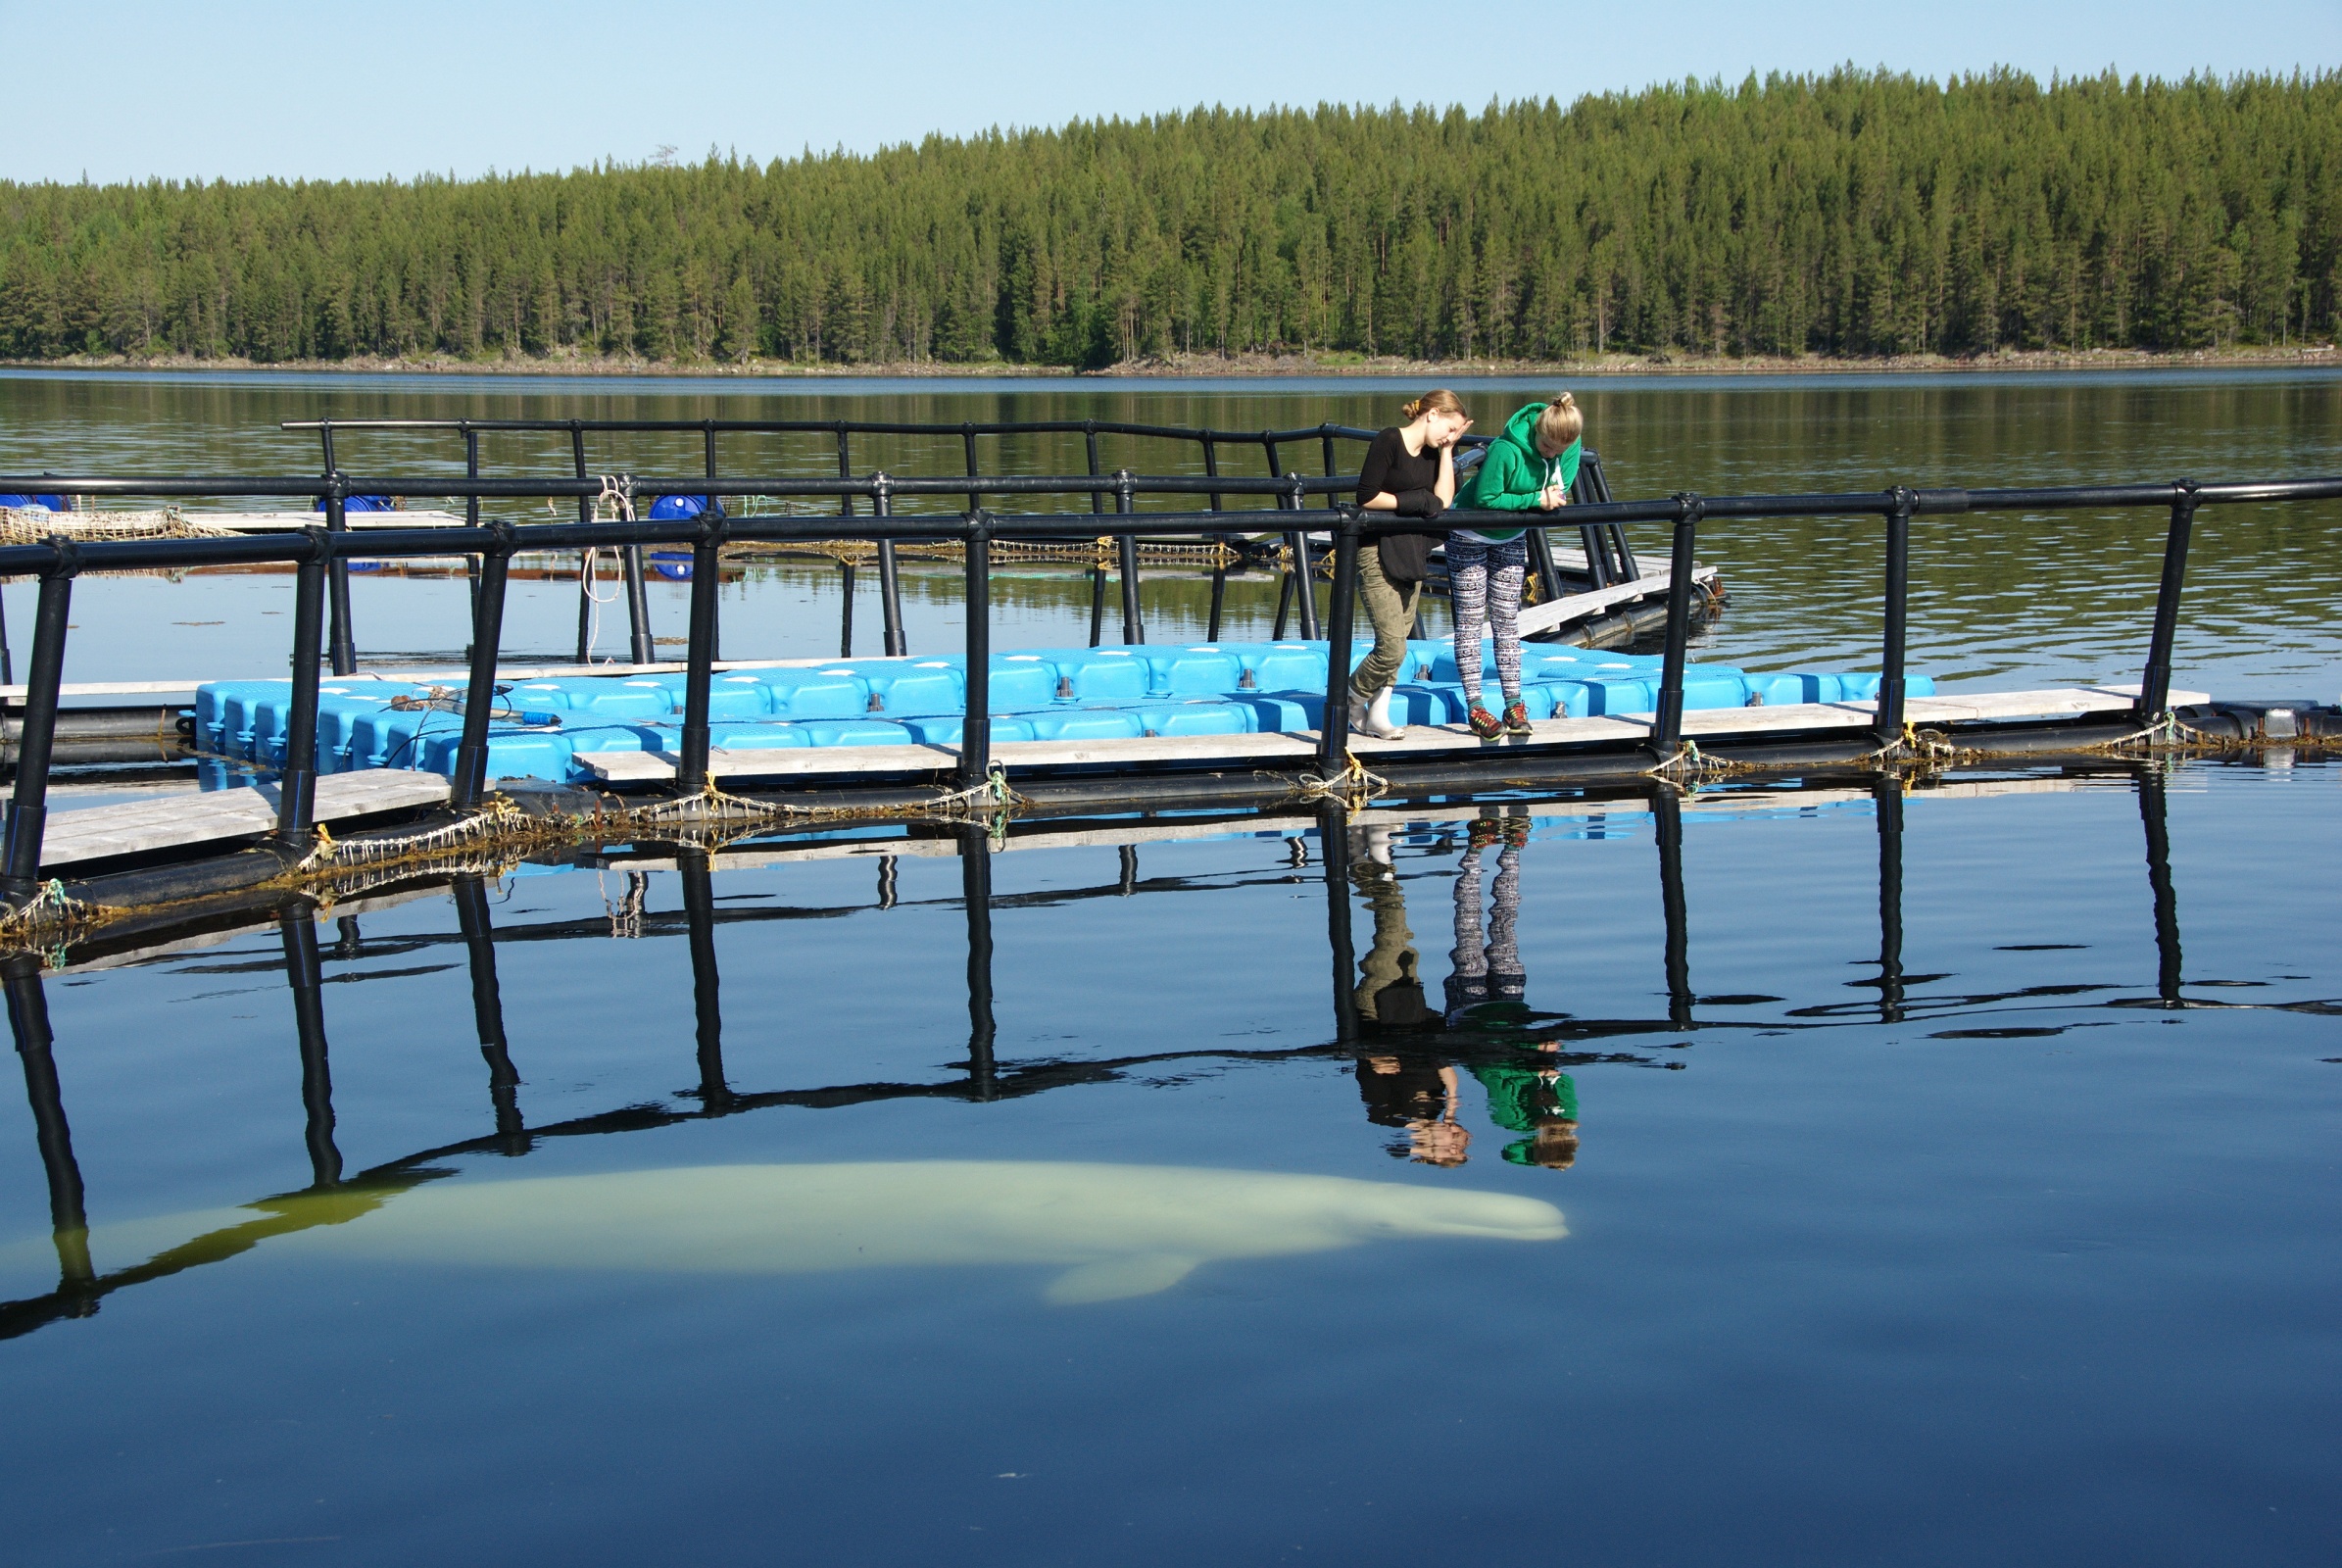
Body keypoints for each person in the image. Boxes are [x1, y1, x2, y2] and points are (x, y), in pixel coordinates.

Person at [1448, 394, 1585, 738]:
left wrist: (1545, 496)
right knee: (1470, 619)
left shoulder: (1568, 445)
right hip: (1470, 532)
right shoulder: (1506, 450)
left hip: (1511, 536)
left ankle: (1513, 702)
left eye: (1558, 451)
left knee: (1507, 619)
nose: (1550, 454)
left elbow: (1560, 488)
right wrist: (1536, 500)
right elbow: (1487, 498)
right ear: (1538, 431)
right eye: (1545, 446)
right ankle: (1476, 706)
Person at [1351, 391, 1471, 740]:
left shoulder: (1438, 453)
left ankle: (1379, 715)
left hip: (1413, 551)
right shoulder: (1389, 439)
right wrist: (1412, 501)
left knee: (1400, 639)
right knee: (1392, 646)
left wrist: (1448, 451)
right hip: (1376, 550)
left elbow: (1444, 501)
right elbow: (1367, 495)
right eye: (1449, 429)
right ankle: (1351, 696)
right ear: (1432, 414)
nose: (1449, 437)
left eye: (1456, 434)